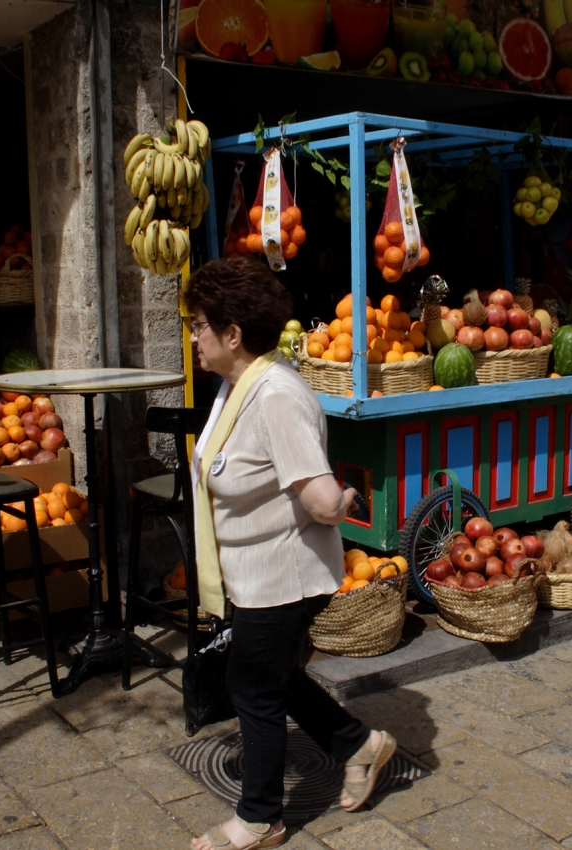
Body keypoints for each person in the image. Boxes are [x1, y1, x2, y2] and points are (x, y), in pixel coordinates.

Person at [185, 256, 395, 850]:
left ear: (232, 334)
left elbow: (323, 500)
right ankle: (359, 744)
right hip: (253, 572)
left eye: (200, 326)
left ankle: (260, 819)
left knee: (252, 687)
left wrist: (346, 498)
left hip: (285, 574)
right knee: (268, 675)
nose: (194, 337)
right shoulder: (236, 385)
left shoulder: (275, 394)